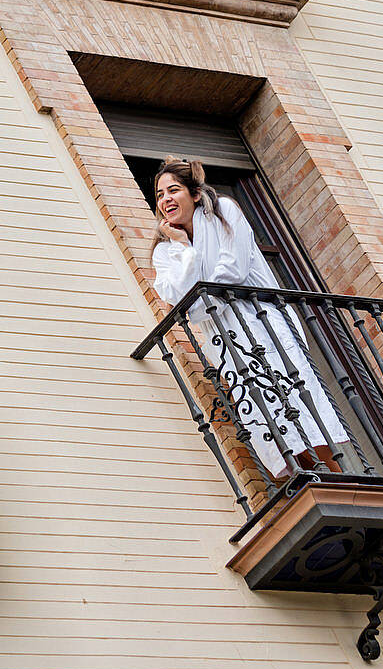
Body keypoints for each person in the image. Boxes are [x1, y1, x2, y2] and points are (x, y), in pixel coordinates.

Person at [147, 156, 350, 479]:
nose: (165, 199)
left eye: (173, 190)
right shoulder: (165, 250)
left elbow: (233, 270)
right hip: (227, 345)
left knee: (298, 408)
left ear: (195, 194)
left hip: (261, 325)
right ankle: (308, 484)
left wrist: (198, 306)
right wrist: (185, 248)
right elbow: (175, 296)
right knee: (270, 419)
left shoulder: (224, 213)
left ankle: (340, 482)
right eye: (159, 195)